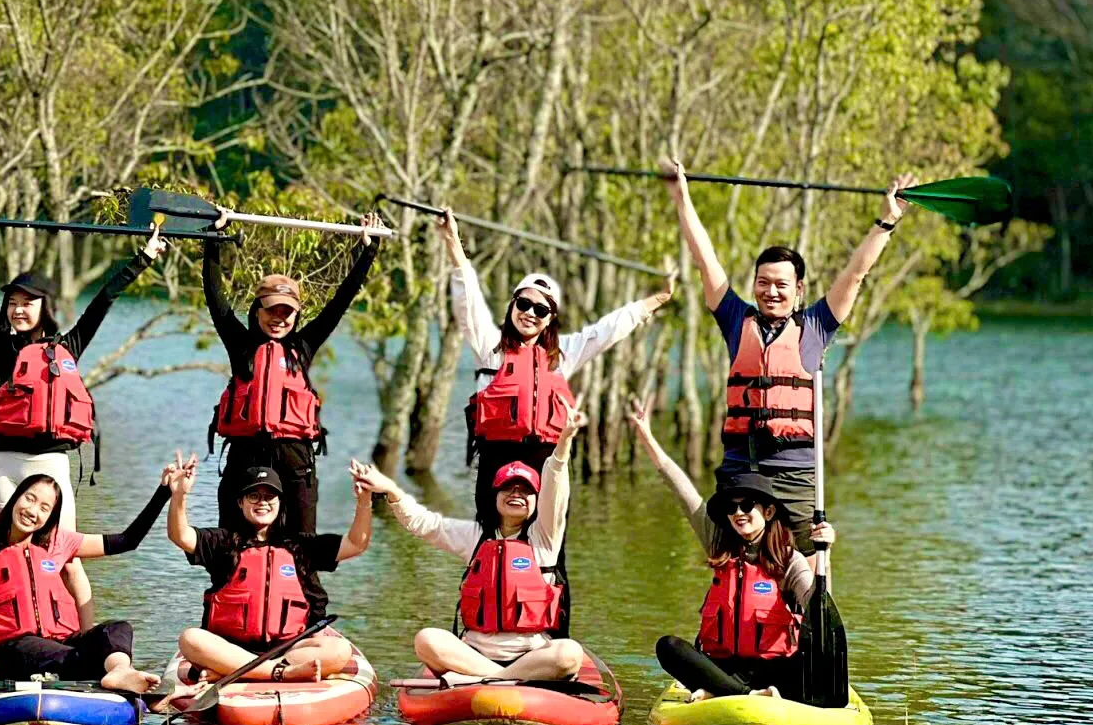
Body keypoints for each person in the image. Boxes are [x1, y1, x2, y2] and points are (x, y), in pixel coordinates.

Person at [660, 159, 911, 542]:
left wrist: (886, 222)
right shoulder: (735, 320)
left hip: (795, 476)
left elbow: (856, 272)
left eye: (781, 284)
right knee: (736, 568)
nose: (771, 291)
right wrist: (682, 199)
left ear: (799, 290)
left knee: (806, 571)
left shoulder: (816, 326)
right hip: (741, 469)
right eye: (763, 282)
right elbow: (704, 259)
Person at [0, 215, 166, 522]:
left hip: (51, 463)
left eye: (27, 303)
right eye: (13, 302)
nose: (17, 309)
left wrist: (145, 257)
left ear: (45, 307)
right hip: (5, 464)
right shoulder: (4, 346)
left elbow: (104, 300)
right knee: (5, 552)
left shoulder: (68, 346)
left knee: (65, 555)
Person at [437, 210, 673, 493]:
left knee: (549, 536)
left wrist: (660, 298)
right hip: (499, 465)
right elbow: (469, 300)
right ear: (513, 304)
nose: (529, 313)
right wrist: (453, 243)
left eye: (540, 309)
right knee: (499, 537)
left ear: (550, 318)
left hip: (546, 466)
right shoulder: (490, 346)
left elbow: (609, 329)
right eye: (523, 304)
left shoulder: (562, 354)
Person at [629, 398, 843, 704]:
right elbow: (682, 492)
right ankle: (742, 695)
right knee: (669, 647)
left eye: (746, 505)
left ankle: (719, 694)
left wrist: (825, 553)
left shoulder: (788, 559)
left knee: (810, 659)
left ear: (768, 512)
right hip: (725, 668)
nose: (738, 513)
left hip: (775, 669)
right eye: (731, 507)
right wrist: (647, 438)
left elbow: (819, 611)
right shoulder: (719, 542)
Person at [355, 405, 589, 684]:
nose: (517, 493)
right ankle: (502, 678)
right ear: (496, 497)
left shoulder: (544, 537)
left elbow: (555, 483)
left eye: (526, 490)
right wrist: (390, 489)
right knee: (426, 640)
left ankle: (487, 679)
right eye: (509, 488)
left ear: (536, 502)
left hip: (531, 655)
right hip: (475, 653)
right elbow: (424, 523)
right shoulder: (476, 537)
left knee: (569, 654)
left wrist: (564, 440)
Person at [200, 212, 388, 540]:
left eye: (286, 313)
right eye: (272, 310)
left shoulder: (303, 346)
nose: (279, 319)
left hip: (294, 455)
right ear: (256, 310)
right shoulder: (240, 343)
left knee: (302, 540)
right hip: (245, 451)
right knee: (230, 537)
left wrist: (368, 251)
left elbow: (340, 302)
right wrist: (213, 240)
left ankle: (297, 586)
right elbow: (215, 297)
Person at [0, 466, 173, 694]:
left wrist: (164, 492)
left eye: (44, 508)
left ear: (50, 517)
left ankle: (120, 671)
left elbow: (128, 541)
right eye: (30, 498)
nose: (32, 511)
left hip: (58, 643)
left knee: (117, 629)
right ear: (16, 498)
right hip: (12, 648)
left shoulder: (59, 542)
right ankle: (104, 673)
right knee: (67, 656)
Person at [167, 458, 374, 683]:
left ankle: (238, 672)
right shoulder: (223, 543)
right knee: (190, 639)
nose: (262, 503)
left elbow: (356, 544)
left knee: (339, 649)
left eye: (269, 496)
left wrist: (364, 501)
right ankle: (278, 673)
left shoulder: (299, 546)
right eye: (253, 496)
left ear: (280, 502)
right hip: (229, 648)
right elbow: (181, 535)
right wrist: (179, 496)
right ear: (240, 502)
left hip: (288, 650)